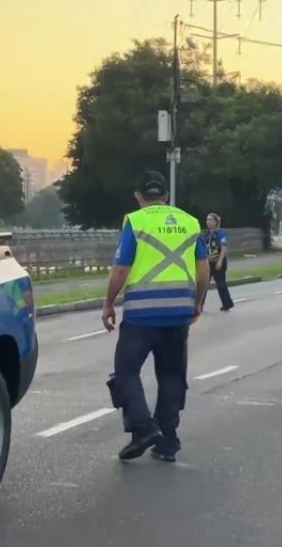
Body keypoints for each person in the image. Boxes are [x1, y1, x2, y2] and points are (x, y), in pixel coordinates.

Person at [102, 171, 210, 463]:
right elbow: (203, 268)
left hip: (142, 314)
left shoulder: (135, 221)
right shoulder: (189, 222)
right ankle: (168, 441)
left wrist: (109, 303)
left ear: (138, 196)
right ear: (166, 196)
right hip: (178, 313)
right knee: (172, 375)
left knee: (125, 371)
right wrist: (197, 302)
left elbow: (122, 269)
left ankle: (144, 427)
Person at [202, 212, 234, 312]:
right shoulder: (206, 234)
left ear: (216, 222)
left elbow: (224, 248)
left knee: (220, 283)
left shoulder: (221, 233)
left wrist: (220, 262)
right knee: (203, 283)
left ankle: (227, 303)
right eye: (207, 220)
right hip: (208, 262)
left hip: (218, 261)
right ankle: (199, 305)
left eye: (211, 220)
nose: (208, 222)